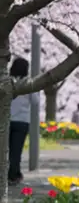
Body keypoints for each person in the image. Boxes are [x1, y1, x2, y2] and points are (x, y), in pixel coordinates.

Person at [8, 57, 37, 185]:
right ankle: (14, 175)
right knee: (16, 150)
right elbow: (35, 101)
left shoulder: (6, 82)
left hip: (6, 120)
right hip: (22, 122)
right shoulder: (27, 83)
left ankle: (8, 173)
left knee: (5, 150)